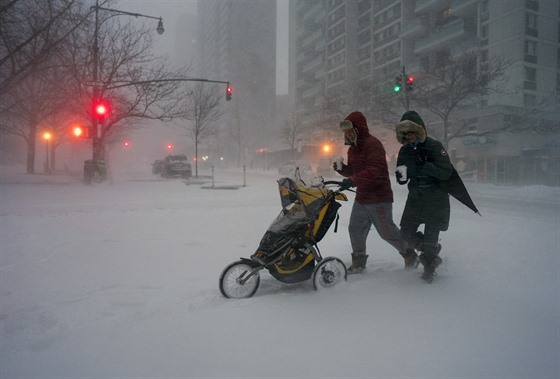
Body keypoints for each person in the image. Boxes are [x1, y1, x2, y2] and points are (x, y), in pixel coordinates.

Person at [334, 111, 415, 273]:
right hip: (363, 198)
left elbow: (374, 170)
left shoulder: (373, 145)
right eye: (345, 132)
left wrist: (352, 180)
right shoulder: (352, 149)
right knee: (355, 228)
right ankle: (358, 261)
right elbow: (355, 171)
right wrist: (343, 170)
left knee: (387, 232)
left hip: (379, 198)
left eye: (350, 130)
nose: (347, 134)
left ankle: (409, 253)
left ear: (359, 129)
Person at [394, 111, 454, 283]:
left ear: (419, 131)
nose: (407, 137)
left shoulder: (434, 147)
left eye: (410, 132)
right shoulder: (404, 151)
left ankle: (428, 271)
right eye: (404, 134)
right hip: (415, 198)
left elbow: (447, 172)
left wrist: (427, 166)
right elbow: (401, 176)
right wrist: (400, 176)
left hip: (436, 199)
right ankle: (430, 249)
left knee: (430, 237)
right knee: (405, 232)